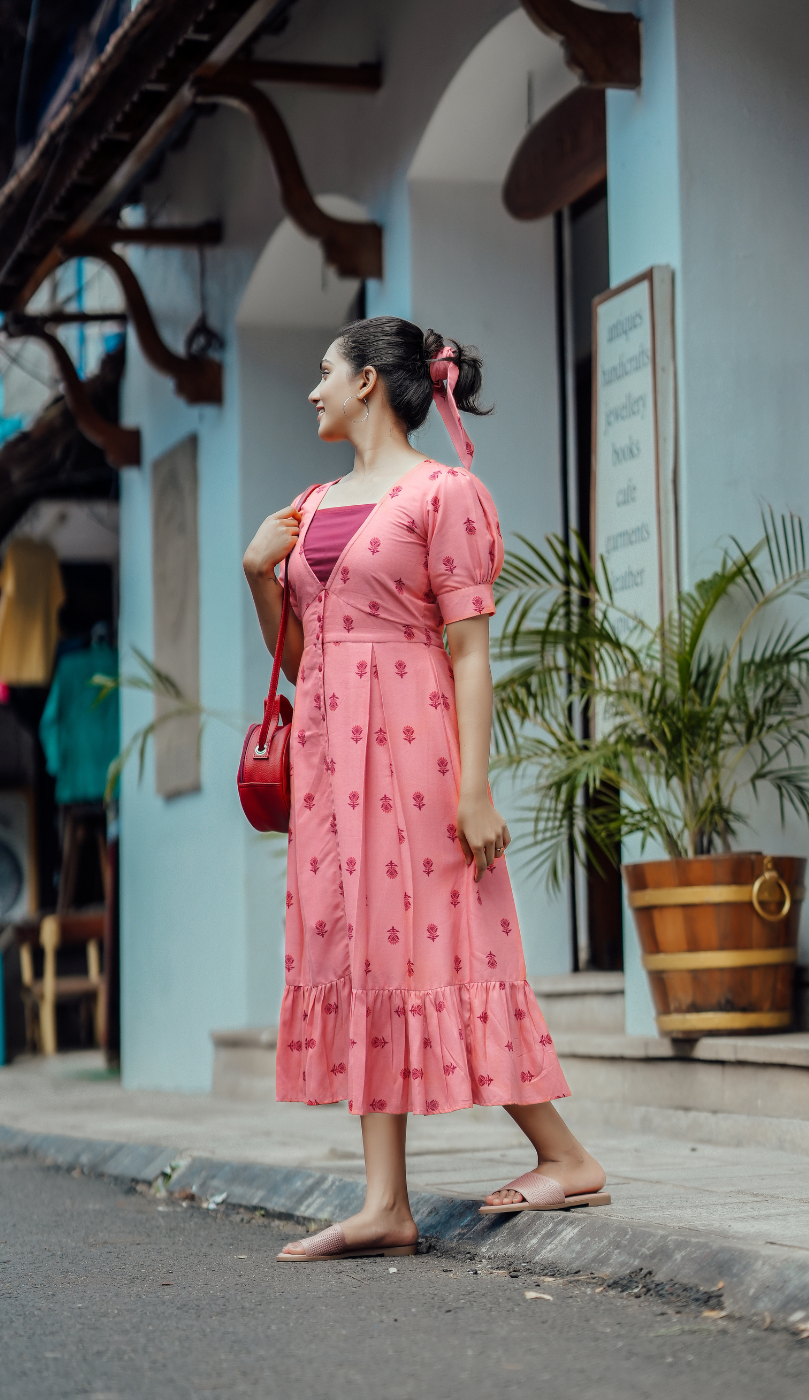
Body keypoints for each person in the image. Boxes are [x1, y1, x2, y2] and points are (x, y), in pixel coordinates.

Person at [243, 316, 607, 1262]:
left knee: (449, 947)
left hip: (414, 752)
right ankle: (384, 1205)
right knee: (365, 953)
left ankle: (565, 1157)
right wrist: (257, 575)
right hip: (331, 764)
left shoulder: (445, 493)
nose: (313, 390)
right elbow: (299, 655)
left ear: (370, 382)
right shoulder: (310, 502)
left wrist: (477, 786)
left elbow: (470, 653)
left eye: (325, 372)